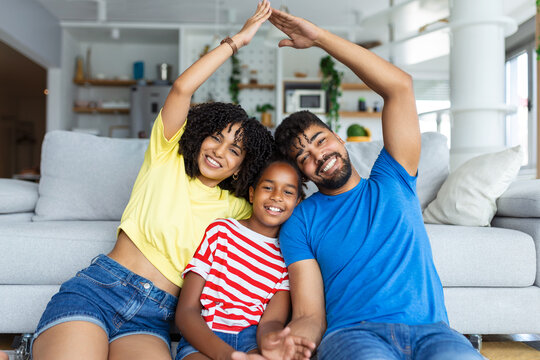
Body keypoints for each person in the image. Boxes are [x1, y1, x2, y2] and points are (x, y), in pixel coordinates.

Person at [31, 2, 275, 360]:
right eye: (216, 137)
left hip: (154, 317)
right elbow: (181, 89)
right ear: (202, 134)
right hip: (100, 288)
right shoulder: (167, 156)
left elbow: (283, 196)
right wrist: (237, 41)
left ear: (242, 167)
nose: (219, 151)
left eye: (234, 150)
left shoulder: (238, 207)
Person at [266, 7, 485, 360]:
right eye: (304, 156)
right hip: (354, 336)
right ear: (303, 175)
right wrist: (296, 340)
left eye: (320, 140)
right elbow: (309, 314)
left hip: (433, 334)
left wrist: (319, 37)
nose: (318, 155)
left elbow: (399, 86)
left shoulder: (393, 177)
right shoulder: (300, 222)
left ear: (339, 137)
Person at [175, 157, 316, 360]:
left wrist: (272, 340)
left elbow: (270, 322)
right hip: (205, 336)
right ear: (252, 193)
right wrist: (228, 355)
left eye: (288, 192)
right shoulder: (221, 232)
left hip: (250, 343)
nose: (276, 197)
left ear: (297, 203)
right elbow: (186, 312)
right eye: (268, 187)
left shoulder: (288, 257)